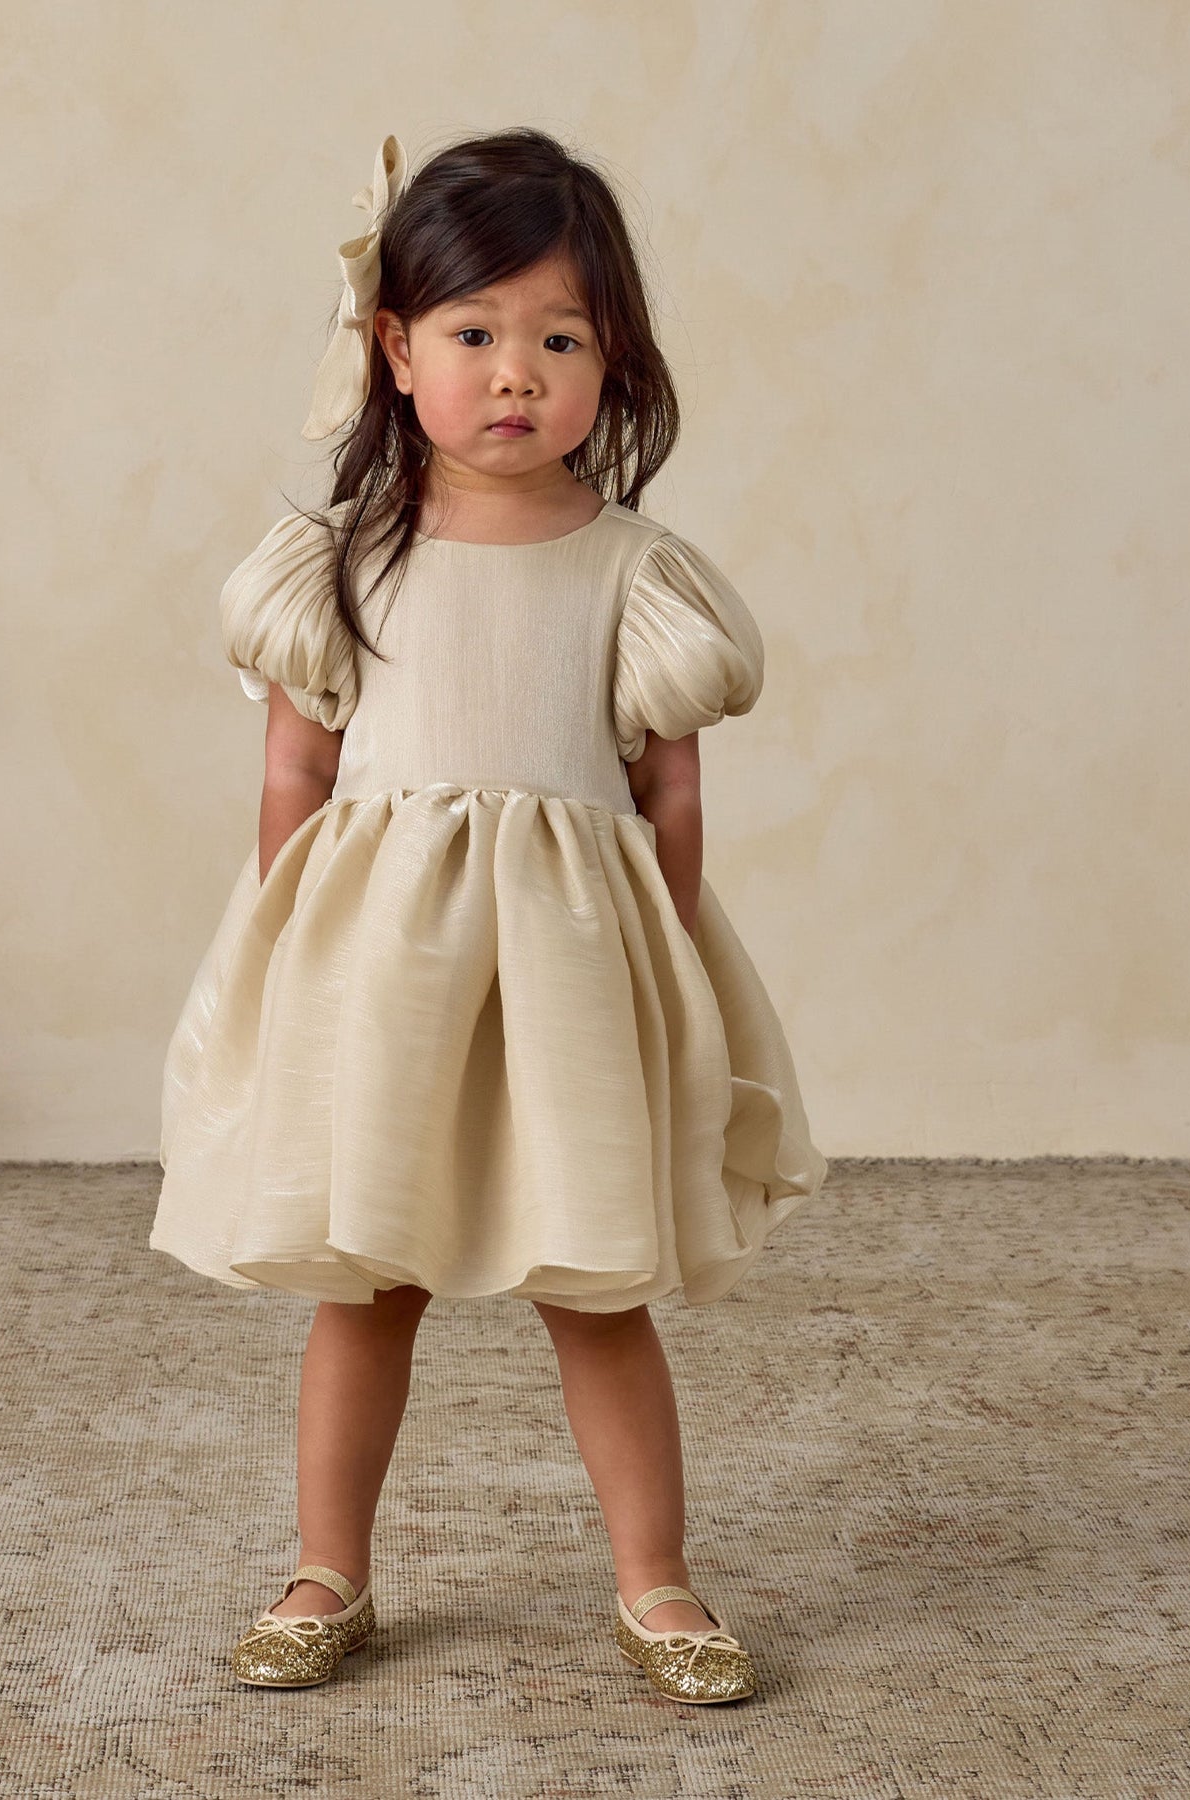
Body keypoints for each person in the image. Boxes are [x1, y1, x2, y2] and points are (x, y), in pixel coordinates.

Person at [150, 127, 829, 1706]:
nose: (516, 373)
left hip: (569, 980)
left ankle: (657, 1576)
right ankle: (328, 1567)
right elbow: (296, 775)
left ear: (614, 363)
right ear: (394, 350)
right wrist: (290, 950)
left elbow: (668, 795)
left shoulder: (635, 573)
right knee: (365, 1281)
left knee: (594, 1287)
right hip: (383, 975)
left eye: (560, 339)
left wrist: (662, 965)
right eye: (475, 333)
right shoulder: (340, 564)